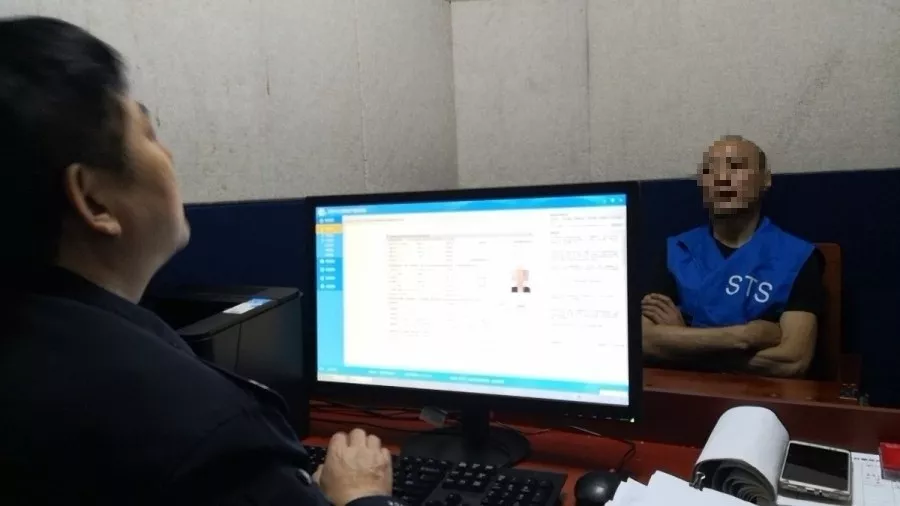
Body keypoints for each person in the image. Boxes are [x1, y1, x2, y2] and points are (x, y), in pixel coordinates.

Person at [0, 16, 398, 505]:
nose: (168, 155)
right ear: (93, 200)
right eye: (148, 135)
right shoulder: (208, 433)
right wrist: (362, 495)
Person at [642, 135, 824, 378]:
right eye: (709, 170)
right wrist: (747, 337)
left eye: (736, 166)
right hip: (682, 388)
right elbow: (644, 342)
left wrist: (683, 340)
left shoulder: (796, 257)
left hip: (761, 395)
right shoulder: (677, 250)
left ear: (765, 179)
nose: (721, 178)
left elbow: (793, 360)